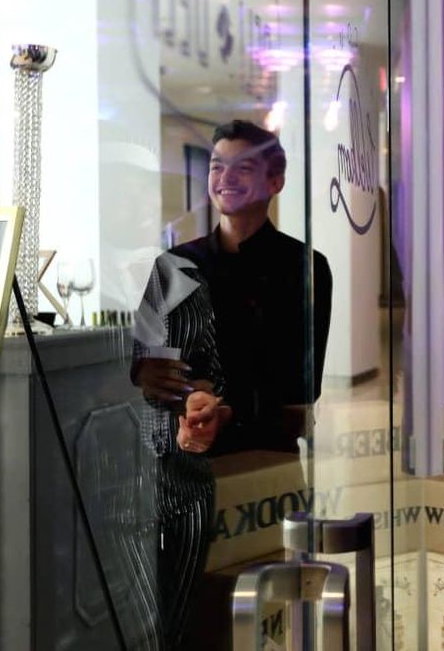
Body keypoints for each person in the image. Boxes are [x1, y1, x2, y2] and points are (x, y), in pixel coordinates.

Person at [130, 119, 333, 649]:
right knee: (190, 605)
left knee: (273, 605)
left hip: (266, 455)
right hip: (184, 459)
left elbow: (302, 383)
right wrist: (184, 400)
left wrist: (229, 408)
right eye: (218, 165)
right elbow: (145, 364)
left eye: (244, 167)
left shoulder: (306, 267)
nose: (225, 177)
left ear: (275, 181)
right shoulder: (175, 265)